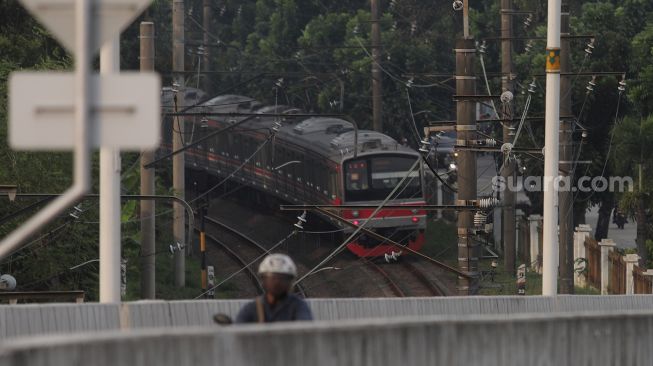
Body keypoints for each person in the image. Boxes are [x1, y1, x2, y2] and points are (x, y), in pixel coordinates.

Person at [235, 253, 313, 323]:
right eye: (272, 278)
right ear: (263, 280)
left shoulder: (298, 306)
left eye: (282, 278)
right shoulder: (252, 308)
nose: (277, 283)